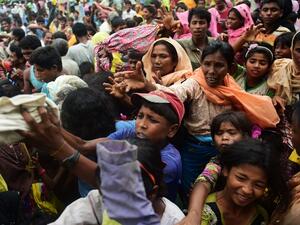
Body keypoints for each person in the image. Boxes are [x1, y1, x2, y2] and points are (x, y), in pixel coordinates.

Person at [117, 41, 279, 197]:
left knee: (221, 186)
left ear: (231, 67)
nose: (211, 71)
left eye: (219, 65)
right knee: (191, 189)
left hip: (225, 147)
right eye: (207, 64)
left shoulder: (232, 88)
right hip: (194, 149)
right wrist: (148, 85)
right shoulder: (195, 83)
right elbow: (175, 93)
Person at [177, 111, 252, 225]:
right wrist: (194, 214)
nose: (225, 138)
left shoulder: (255, 158)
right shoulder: (218, 161)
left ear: (245, 136)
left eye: (232, 133)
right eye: (219, 133)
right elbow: (204, 181)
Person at [200, 138, 283, 225]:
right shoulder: (203, 211)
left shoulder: (261, 216)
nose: (247, 190)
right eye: (241, 178)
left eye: (258, 185)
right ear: (226, 170)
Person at [268, 31, 300, 107]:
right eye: (299, 50)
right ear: (292, 49)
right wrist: (273, 99)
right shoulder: (279, 66)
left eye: (283, 48)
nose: (278, 51)